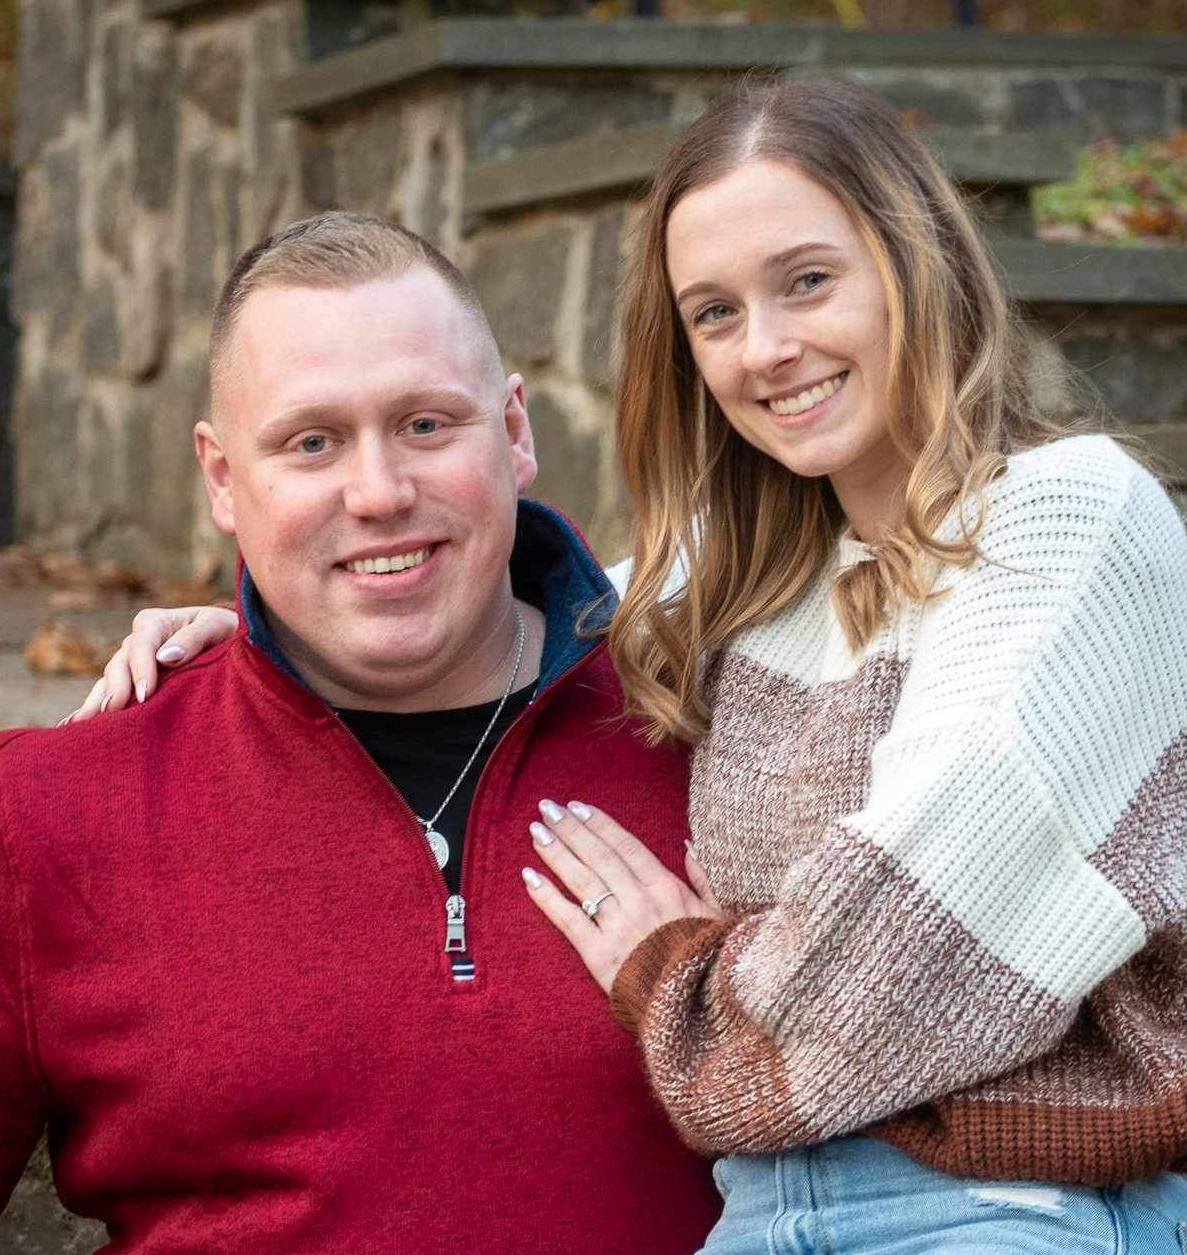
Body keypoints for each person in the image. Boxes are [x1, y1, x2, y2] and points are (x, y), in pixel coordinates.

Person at [74, 89, 1187, 1255]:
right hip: (769, 1210)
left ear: (915, 263)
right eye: (715, 312)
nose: (767, 348)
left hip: (1011, 1208)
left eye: (807, 280)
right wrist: (280, 633)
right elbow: (489, 601)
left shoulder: (1068, 519)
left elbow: (866, 998)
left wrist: (666, 969)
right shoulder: (751, 573)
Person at [0, 213, 720, 1253]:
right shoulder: (50, 813)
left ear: (514, 431)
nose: (380, 493)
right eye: (311, 442)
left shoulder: (721, 736)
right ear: (221, 478)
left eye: (426, 424)